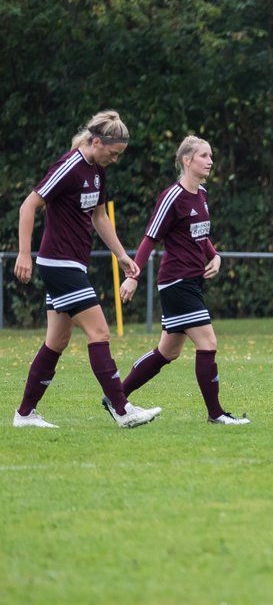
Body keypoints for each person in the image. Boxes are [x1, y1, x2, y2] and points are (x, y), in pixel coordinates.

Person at [11, 110, 162, 429]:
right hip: (59, 264)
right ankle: (122, 410)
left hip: (71, 264)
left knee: (56, 341)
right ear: (96, 141)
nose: (115, 159)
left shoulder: (97, 170)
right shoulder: (69, 166)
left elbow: (99, 216)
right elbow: (29, 205)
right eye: (113, 152)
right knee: (99, 331)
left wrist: (121, 255)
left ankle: (25, 414)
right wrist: (24, 253)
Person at [116, 136, 249, 425]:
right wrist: (133, 277)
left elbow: (200, 234)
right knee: (208, 342)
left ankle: (116, 397)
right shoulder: (172, 197)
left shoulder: (201, 194)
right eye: (203, 155)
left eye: (211, 155)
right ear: (187, 160)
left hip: (190, 282)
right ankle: (216, 415)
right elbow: (150, 238)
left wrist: (215, 256)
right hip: (177, 283)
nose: (210, 161)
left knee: (168, 351)